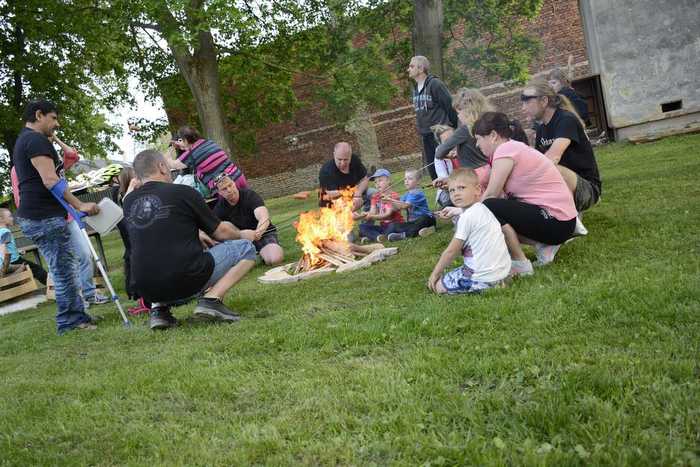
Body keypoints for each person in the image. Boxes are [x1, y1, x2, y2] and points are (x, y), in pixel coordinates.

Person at [123, 149, 256, 330]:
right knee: (246, 248)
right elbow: (220, 232)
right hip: (185, 281)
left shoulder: (128, 202)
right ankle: (211, 300)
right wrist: (242, 234)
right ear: (161, 167)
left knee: (155, 257)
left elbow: (154, 233)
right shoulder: (183, 192)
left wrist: (196, 233)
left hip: (146, 289)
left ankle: (159, 311)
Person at [13, 99, 100, 333]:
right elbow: (51, 180)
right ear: (39, 115)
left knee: (66, 268)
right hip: (43, 217)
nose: (57, 124)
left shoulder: (26, 140)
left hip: (40, 216)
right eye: (53, 118)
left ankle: (78, 316)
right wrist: (79, 204)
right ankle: (70, 322)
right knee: (64, 272)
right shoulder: (35, 140)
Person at [470, 112, 578, 272]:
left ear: (493, 135)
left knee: (489, 206)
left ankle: (520, 262)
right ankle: (544, 246)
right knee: (493, 208)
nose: (477, 145)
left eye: (478, 139)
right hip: (562, 222)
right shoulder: (513, 147)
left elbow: (492, 195)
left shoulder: (505, 150)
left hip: (557, 223)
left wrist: (468, 217)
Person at [11, 134, 108, 306]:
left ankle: (89, 293)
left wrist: (54, 137)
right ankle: (76, 300)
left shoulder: (55, 161)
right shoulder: (20, 167)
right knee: (64, 262)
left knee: (85, 254)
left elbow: (72, 155)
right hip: (48, 217)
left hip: (68, 215)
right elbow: (20, 198)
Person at [522, 78, 601, 215]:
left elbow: (553, 157)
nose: (523, 108)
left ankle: (570, 217)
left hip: (587, 190)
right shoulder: (541, 129)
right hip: (562, 187)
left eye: (527, 101)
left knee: (550, 167)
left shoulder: (565, 119)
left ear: (544, 101)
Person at [428, 168, 511, 294]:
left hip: (482, 276)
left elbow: (451, 251)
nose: (456, 193)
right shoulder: (483, 209)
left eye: (461, 188)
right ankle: (498, 281)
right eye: (452, 190)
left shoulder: (467, 217)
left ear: (478, 190)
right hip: (502, 271)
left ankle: (484, 286)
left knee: (439, 286)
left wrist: (435, 273)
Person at [213, 174, 284, 266]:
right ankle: (252, 255)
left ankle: (261, 253)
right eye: (224, 189)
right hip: (241, 240)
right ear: (220, 193)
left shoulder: (249, 195)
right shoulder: (219, 208)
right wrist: (241, 235)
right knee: (224, 225)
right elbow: (215, 231)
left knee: (275, 259)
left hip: (263, 234)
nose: (229, 190)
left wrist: (258, 232)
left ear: (234, 183)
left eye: (230, 185)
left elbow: (263, 216)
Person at [408, 55, 459, 181]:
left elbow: (450, 106)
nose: (408, 69)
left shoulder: (435, 84)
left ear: (421, 69)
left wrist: (452, 128)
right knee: (434, 172)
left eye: (412, 66)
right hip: (426, 136)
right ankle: (441, 191)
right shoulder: (415, 89)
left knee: (449, 169)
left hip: (441, 134)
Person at [167, 126, 248, 196]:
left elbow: (173, 165)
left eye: (181, 139)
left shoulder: (191, 153)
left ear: (185, 139)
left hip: (225, 187)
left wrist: (170, 148)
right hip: (238, 177)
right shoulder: (209, 142)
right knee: (249, 204)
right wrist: (183, 145)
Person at [383, 169, 436, 241]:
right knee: (393, 225)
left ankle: (404, 235)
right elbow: (397, 208)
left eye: (410, 179)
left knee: (424, 219)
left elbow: (405, 206)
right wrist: (389, 201)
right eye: (405, 179)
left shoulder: (417, 193)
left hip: (427, 220)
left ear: (418, 181)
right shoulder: (406, 195)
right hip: (412, 223)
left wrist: (390, 200)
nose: (406, 181)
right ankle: (425, 231)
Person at [318, 142, 370, 211]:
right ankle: (348, 214)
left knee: (373, 193)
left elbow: (365, 179)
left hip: (353, 194)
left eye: (346, 160)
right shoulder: (326, 171)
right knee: (347, 206)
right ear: (334, 155)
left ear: (350, 156)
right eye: (339, 159)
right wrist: (347, 192)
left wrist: (358, 194)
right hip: (332, 202)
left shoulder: (355, 160)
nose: (342, 163)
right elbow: (329, 194)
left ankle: (368, 216)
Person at [0, 208, 48, 282]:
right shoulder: (6, 231)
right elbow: (2, 248)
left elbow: (7, 247)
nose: (12, 218)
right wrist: (6, 264)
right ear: (1, 219)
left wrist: (18, 252)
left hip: (9, 261)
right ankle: (53, 285)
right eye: (10, 216)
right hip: (13, 262)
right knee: (38, 270)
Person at [356, 168, 404, 242]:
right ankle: (378, 237)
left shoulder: (393, 196)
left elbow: (387, 215)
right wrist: (365, 214)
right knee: (362, 227)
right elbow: (373, 212)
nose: (377, 184)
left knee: (393, 226)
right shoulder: (375, 196)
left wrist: (372, 216)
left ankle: (374, 236)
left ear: (388, 181)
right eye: (375, 182)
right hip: (383, 227)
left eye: (380, 180)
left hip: (395, 224)